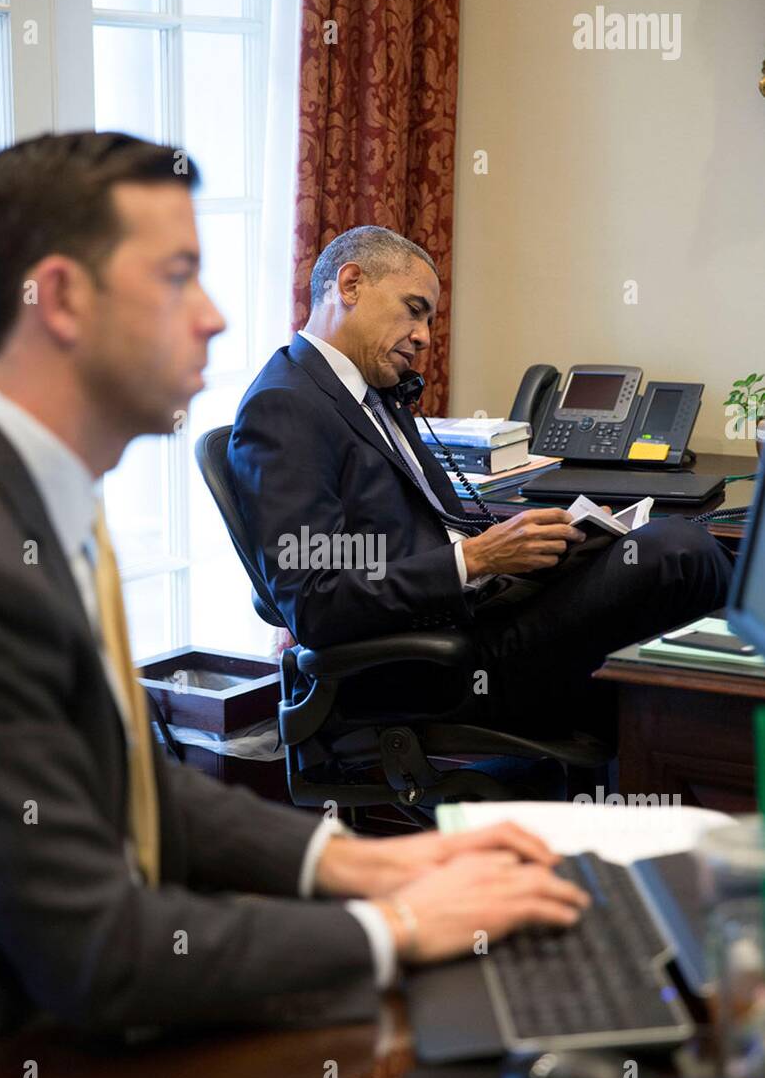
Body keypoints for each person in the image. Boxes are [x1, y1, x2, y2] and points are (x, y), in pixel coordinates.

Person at [0, 135, 589, 1078]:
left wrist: (362, 865)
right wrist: (397, 926)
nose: (216, 317)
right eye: (178, 277)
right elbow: (100, 951)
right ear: (60, 300)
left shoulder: (35, 500)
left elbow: (132, 786)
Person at [228, 225, 731, 736]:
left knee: (663, 548)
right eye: (414, 309)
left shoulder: (372, 392)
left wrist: (542, 545)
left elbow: (424, 531)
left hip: (475, 620)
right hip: (433, 667)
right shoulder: (285, 406)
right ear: (351, 284)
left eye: (428, 320)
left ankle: (676, 756)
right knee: (675, 553)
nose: (424, 337)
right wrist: (475, 558)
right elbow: (316, 602)